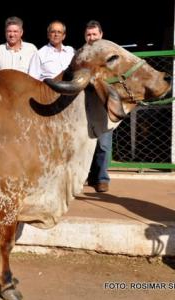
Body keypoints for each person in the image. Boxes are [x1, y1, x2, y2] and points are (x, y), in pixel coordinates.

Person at [84, 20, 112, 193]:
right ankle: (88, 176)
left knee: (103, 144)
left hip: (104, 104)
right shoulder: (81, 55)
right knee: (85, 144)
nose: (92, 37)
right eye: (88, 34)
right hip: (85, 105)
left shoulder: (111, 53)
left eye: (95, 34)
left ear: (101, 35)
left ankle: (101, 178)